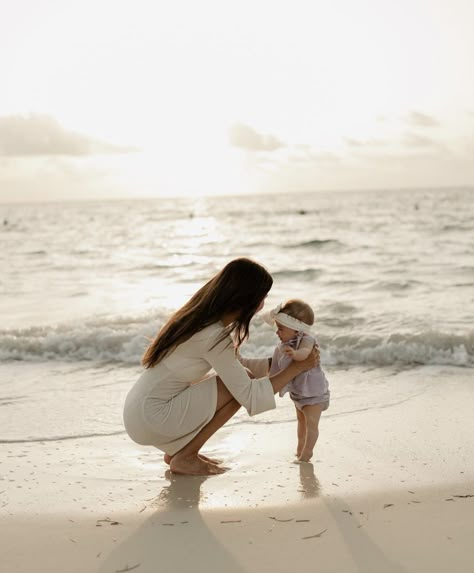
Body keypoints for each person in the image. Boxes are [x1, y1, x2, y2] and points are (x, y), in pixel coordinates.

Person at [123, 258, 319, 476]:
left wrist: (279, 364)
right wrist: (298, 368)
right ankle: (186, 456)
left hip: (140, 413)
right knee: (239, 385)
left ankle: (181, 452)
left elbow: (233, 366)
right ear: (246, 299)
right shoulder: (214, 335)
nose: (263, 304)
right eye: (262, 297)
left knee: (238, 378)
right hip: (152, 416)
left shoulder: (201, 321)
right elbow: (249, 395)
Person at [266, 299, 330, 462]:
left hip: (313, 393)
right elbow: (275, 369)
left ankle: (307, 452)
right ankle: (300, 447)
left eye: (280, 328)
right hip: (299, 394)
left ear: (296, 330)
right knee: (300, 422)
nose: (277, 332)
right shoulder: (282, 347)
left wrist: (295, 355)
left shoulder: (307, 340)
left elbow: (304, 353)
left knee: (311, 423)